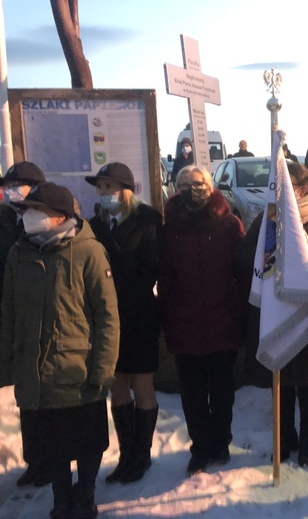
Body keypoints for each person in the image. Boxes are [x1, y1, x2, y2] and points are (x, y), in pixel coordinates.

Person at [0, 182, 120, 519]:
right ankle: (61, 496)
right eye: (26, 211)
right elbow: (8, 311)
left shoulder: (87, 250)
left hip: (76, 367)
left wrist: (104, 367)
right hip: (35, 368)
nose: (29, 217)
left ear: (59, 216)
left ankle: (86, 493)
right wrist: (7, 362)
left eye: (36, 211)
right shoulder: (19, 253)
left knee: (86, 439)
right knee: (50, 442)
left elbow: (107, 314)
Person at [239, 161, 308, 466]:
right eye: (277, 185)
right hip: (274, 316)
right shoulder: (266, 220)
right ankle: (284, 438)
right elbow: (245, 258)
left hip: (307, 316)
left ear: (304, 189)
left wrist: (298, 288)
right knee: (280, 383)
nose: (281, 192)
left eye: (288, 186)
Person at [159, 165, 246, 476]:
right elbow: (164, 277)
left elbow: (244, 272)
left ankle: (221, 442)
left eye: (197, 183)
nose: (191, 189)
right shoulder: (169, 229)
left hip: (224, 320)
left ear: (210, 187)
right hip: (185, 323)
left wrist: (245, 314)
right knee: (192, 393)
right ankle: (200, 447)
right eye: (184, 184)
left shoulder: (230, 225)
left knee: (223, 391)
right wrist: (166, 315)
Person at [85, 162, 162, 483]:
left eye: (110, 188)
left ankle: (141, 457)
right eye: (101, 188)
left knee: (142, 385)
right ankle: (127, 455)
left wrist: (120, 303)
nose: (104, 194)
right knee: (117, 385)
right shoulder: (93, 227)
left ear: (125, 191)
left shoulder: (148, 221)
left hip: (139, 315)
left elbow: (150, 271)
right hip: (106, 319)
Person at [0, 162, 50, 489]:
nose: (10, 191)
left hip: (44, 320)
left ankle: (51, 461)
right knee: (26, 397)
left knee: (47, 398)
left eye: (16, 185)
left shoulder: (47, 221)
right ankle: (35, 461)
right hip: (12, 319)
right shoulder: (4, 220)